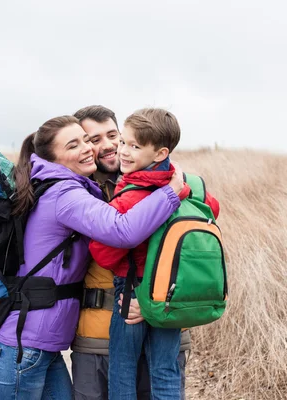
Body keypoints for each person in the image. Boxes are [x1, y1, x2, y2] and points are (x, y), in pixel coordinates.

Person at [0, 115, 185, 400]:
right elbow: (123, 230)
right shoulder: (65, 194)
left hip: (39, 344)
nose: (86, 148)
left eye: (84, 140)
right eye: (73, 145)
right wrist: (170, 192)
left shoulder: (58, 185)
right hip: (25, 344)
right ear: (53, 158)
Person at [89, 108, 220, 400]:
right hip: (171, 292)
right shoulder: (190, 184)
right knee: (165, 372)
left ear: (160, 153)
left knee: (123, 369)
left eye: (135, 146)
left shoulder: (131, 196)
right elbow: (212, 209)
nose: (123, 151)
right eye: (124, 142)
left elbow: (103, 254)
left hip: (132, 292)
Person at [71, 105, 192, 400]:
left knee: (140, 378)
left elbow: (193, 252)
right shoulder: (74, 191)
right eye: (93, 139)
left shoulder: (149, 186)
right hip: (100, 336)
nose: (113, 146)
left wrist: (153, 303)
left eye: (115, 136)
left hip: (147, 306)